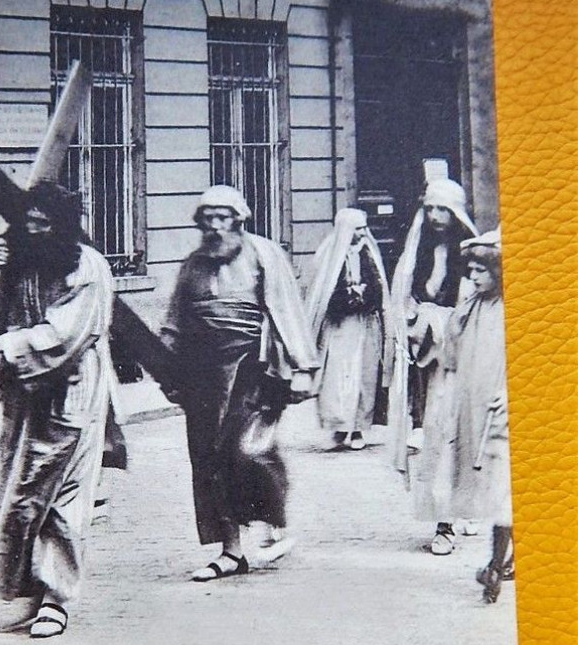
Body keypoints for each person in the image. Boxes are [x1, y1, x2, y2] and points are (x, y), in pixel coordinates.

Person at [0, 183, 120, 638]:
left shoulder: (87, 268)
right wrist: (0, 278)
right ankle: (33, 586)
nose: (34, 230)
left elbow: (65, 336)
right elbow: (0, 314)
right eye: (28, 222)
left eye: (44, 224)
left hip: (71, 392)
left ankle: (57, 598)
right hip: (26, 395)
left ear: (63, 226)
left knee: (62, 498)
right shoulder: (21, 263)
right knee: (24, 492)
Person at [162, 185, 319, 581]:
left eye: (223, 217)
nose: (215, 226)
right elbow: (175, 321)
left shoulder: (263, 254)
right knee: (209, 459)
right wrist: (168, 369)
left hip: (253, 367)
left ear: (239, 219)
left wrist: (302, 367)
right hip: (203, 374)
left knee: (249, 450)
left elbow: (285, 307)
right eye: (208, 218)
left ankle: (274, 525)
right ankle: (230, 551)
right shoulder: (194, 264)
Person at [389, 178, 478, 554]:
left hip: (465, 357)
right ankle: (444, 521)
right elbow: (403, 300)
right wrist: (414, 324)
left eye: (443, 209)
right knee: (435, 434)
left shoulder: (472, 255)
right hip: (428, 358)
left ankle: (457, 512)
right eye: (430, 209)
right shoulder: (417, 252)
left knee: (463, 434)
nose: (436, 216)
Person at [433, 230, 514, 603]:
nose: (475, 278)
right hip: (475, 407)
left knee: (503, 489)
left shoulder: (514, 309)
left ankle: (495, 565)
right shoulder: (472, 308)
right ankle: (503, 558)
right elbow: (452, 356)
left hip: (504, 409)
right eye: (472, 271)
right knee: (496, 488)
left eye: (482, 271)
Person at [305, 207, 392, 450]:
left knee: (363, 377)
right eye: (358, 228)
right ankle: (338, 428)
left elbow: (379, 287)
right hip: (340, 328)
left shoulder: (369, 252)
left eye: (364, 227)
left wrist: (366, 295)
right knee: (337, 379)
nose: (363, 232)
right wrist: (347, 296)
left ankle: (357, 430)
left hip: (365, 326)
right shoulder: (329, 254)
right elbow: (323, 292)